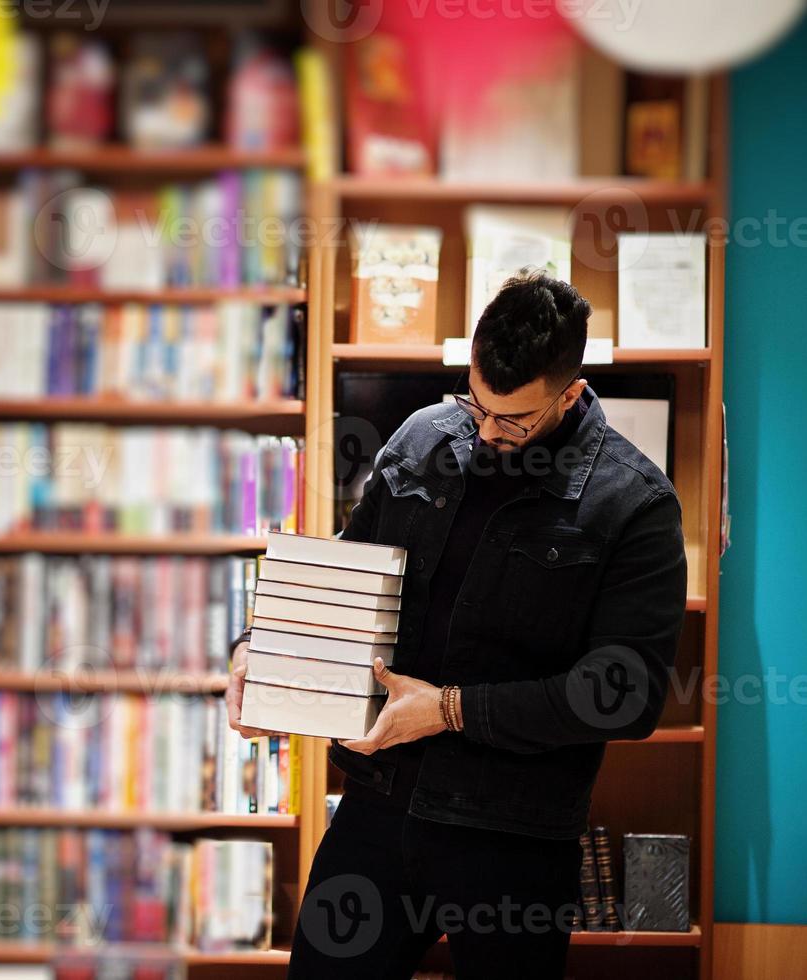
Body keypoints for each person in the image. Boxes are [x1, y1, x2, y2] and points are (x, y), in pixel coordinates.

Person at [226, 271, 688, 979]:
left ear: (570, 392)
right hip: (378, 805)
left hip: (514, 836)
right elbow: (345, 576)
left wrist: (445, 711)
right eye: (475, 403)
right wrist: (265, 657)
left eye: (513, 420)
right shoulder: (423, 437)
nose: (484, 432)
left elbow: (623, 695)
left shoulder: (635, 502)